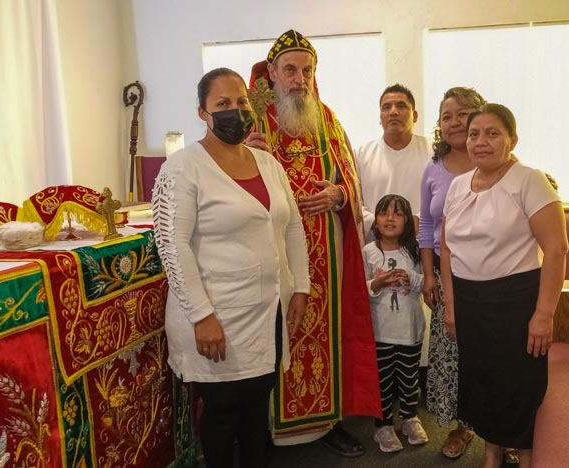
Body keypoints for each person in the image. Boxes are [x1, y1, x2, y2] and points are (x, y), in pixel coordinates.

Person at [151, 67, 310, 468]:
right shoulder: (182, 168)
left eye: (240, 102)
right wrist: (201, 315)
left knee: (257, 413)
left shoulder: (268, 164)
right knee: (223, 415)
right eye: (222, 103)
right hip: (216, 315)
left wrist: (300, 286)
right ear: (203, 113)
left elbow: (291, 225)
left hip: (268, 311)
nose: (234, 111)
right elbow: (171, 245)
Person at [247, 30, 381, 456]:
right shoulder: (251, 119)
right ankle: (265, 425)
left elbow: (351, 180)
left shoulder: (326, 119)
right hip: (270, 251)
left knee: (325, 329)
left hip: (325, 247)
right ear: (272, 73)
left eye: (307, 70)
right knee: (274, 329)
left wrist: (339, 195)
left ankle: (325, 422)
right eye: (290, 70)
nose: (299, 79)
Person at [441, 103, 568, 468]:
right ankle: (492, 454)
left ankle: (527, 458)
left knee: (520, 385)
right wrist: (451, 306)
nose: (480, 141)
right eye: (474, 134)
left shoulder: (530, 180)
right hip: (470, 301)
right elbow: (447, 249)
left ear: (512, 140)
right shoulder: (458, 185)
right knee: (484, 383)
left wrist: (544, 314)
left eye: (492, 133)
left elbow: (556, 249)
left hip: (516, 302)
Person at [418, 86, 486, 459]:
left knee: (490, 351)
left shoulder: (495, 161)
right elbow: (428, 226)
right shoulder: (433, 169)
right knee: (452, 353)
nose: (455, 122)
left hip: (492, 276)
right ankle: (463, 426)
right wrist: (429, 276)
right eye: (447, 116)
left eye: (463, 113)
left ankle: (502, 430)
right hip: (447, 276)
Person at [362, 194, 429, 452]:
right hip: (380, 331)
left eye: (398, 214)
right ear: (375, 220)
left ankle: (410, 418)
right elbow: (359, 288)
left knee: (409, 377)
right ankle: (383, 425)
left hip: (409, 330)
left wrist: (410, 277)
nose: (390, 218)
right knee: (382, 380)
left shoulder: (415, 251)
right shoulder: (368, 252)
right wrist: (377, 283)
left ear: (407, 221)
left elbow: (426, 282)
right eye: (384, 213)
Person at [355, 84, 431, 240]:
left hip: (422, 241)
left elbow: (442, 196)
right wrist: (376, 222)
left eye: (401, 106)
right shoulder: (361, 154)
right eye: (386, 107)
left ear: (415, 115)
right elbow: (354, 199)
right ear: (380, 117)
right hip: (376, 243)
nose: (393, 112)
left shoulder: (433, 152)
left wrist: (417, 220)